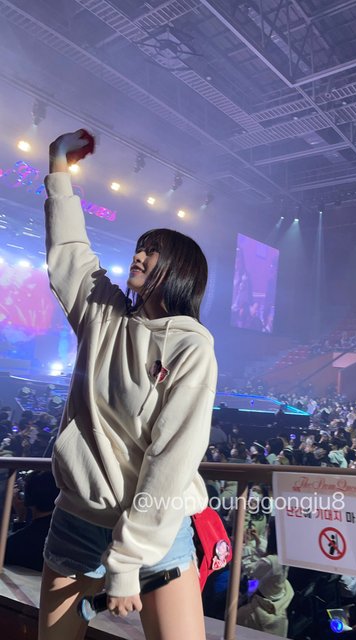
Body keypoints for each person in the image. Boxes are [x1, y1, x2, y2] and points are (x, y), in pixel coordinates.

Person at [39, 130, 218, 640]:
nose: (139, 255)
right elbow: (69, 251)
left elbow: (171, 459)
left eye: (153, 251)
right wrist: (58, 167)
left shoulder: (191, 346)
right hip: (77, 520)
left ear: (179, 270)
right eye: (140, 248)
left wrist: (126, 560)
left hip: (156, 535)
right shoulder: (103, 314)